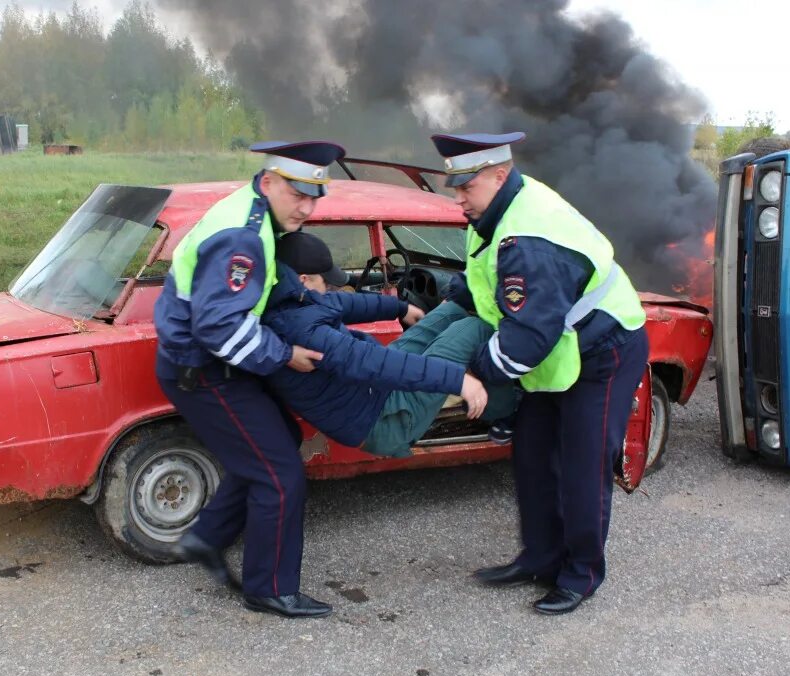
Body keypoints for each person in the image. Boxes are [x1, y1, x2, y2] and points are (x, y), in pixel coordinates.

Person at [431, 132, 650, 615]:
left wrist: (471, 372)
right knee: (531, 455)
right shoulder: (489, 215)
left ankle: (581, 574)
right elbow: (482, 280)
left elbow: (527, 338)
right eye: (456, 186)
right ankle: (539, 558)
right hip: (557, 349)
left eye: (466, 186)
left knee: (582, 464)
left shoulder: (530, 238)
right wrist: (439, 312)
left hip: (603, 349)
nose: (458, 196)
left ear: (500, 174)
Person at [153, 140, 345, 619]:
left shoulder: (251, 213)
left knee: (277, 439)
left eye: (315, 195)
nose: (308, 206)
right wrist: (286, 354)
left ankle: (207, 537)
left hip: (207, 364)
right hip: (205, 370)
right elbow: (217, 326)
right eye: (298, 194)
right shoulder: (243, 235)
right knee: (281, 477)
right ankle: (271, 589)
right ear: (268, 182)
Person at [262, 230, 517, 457]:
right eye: (324, 281)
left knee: (452, 310)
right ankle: (508, 411)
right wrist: (459, 380)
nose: (329, 287)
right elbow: (373, 363)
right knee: (472, 328)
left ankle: (485, 396)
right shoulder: (301, 331)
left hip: (373, 390)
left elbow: (345, 304)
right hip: (384, 420)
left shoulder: (293, 300)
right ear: (304, 279)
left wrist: (401, 308)